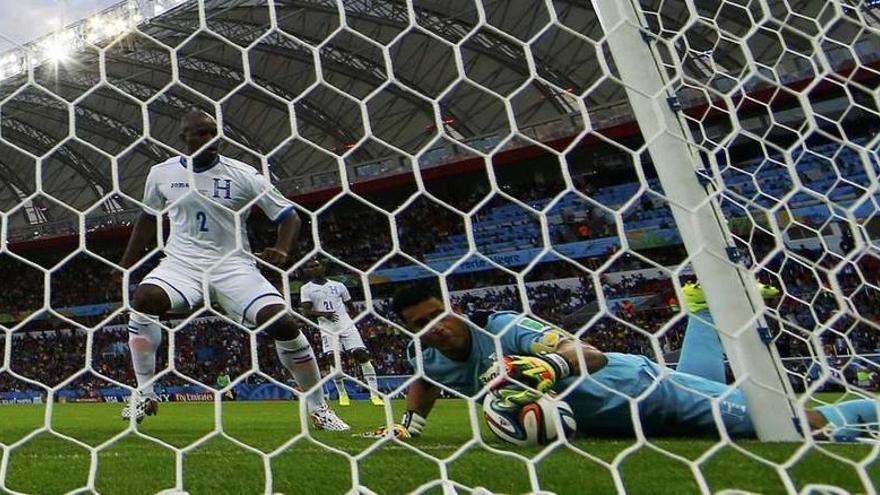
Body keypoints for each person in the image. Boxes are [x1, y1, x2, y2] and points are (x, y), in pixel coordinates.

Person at [377, 283, 877, 441]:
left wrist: (550, 368)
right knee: (706, 389)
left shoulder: (503, 328)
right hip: (615, 424)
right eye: (423, 324)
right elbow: (425, 382)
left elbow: (586, 353)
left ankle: (857, 414)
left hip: (634, 387)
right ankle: (701, 311)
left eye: (439, 316)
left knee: (788, 428)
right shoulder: (422, 354)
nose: (435, 328)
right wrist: (409, 427)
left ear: (454, 310)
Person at [118, 109, 348, 431]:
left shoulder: (243, 174)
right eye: (201, 133)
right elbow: (146, 218)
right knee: (144, 299)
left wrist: (282, 248)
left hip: (233, 266)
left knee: (282, 323)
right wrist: (125, 265)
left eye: (214, 132)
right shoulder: (161, 174)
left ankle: (318, 407)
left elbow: (289, 216)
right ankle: (144, 392)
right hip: (181, 264)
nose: (209, 139)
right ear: (183, 137)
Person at [300, 259, 384, 407]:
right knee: (335, 361)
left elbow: (350, 306)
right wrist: (323, 314)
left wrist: (357, 324)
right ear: (307, 271)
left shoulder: (339, 286)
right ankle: (342, 394)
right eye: (311, 267)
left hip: (346, 324)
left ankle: (375, 395)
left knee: (362, 356)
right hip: (327, 328)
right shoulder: (306, 289)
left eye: (317, 265)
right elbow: (306, 311)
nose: (315, 268)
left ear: (323, 267)